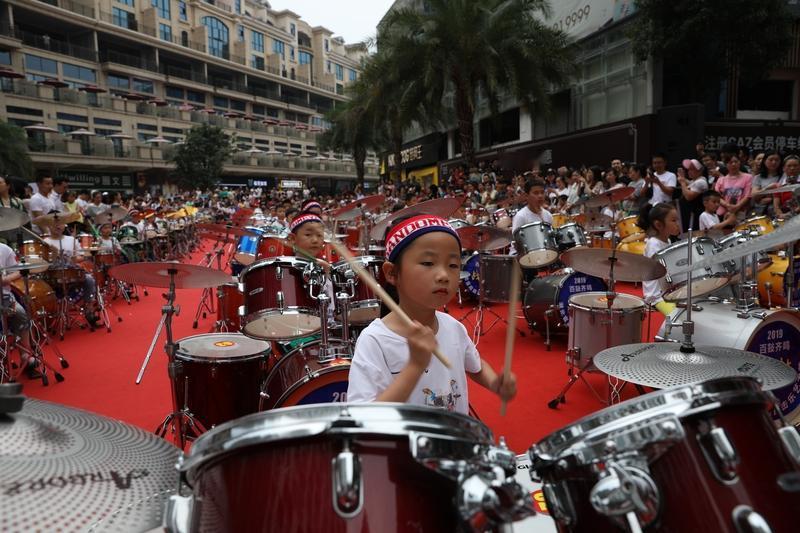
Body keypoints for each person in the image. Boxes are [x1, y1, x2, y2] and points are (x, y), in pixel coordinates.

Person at [347, 215, 516, 412]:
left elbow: (476, 367)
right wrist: (415, 367)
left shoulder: (453, 327)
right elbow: (364, 417)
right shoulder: (374, 340)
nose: (444, 275)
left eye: (453, 265)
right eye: (428, 263)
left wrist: (495, 383)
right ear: (392, 273)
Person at [43, 221, 99, 325]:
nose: (57, 226)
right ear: (49, 226)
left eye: (60, 223)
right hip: (53, 274)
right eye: (54, 223)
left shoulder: (71, 240)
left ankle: (89, 310)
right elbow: (43, 263)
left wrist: (75, 259)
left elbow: (81, 256)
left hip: (71, 271)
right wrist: (54, 255)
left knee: (89, 279)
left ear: (64, 226)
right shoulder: (45, 241)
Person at [638, 203, 681, 315]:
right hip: (657, 297)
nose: (678, 224)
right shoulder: (653, 244)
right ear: (658, 224)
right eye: (674, 220)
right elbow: (665, 272)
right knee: (678, 316)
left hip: (667, 292)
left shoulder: (668, 241)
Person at [0, 242, 34, 377]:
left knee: (20, 313)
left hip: (4, 295)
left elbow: (18, 271)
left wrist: (5, 279)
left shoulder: (4, 249)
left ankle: (26, 356)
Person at [714, 154, 753, 218]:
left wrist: (737, 206)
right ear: (726, 165)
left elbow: (748, 195)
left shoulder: (748, 177)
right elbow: (717, 196)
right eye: (730, 162)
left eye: (736, 162)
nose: (733, 164)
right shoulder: (721, 179)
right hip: (723, 213)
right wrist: (728, 205)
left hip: (741, 212)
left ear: (739, 162)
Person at [676, 159, 708, 231]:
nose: (689, 172)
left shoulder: (701, 182)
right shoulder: (695, 181)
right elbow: (690, 183)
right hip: (688, 214)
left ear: (700, 170)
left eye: (692, 169)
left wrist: (682, 182)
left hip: (694, 214)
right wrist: (682, 178)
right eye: (689, 169)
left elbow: (688, 196)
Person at [751, 150, 782, 216]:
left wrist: (771, 199)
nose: (774, 162)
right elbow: (754, 195)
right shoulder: (758, 177)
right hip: (761, 212)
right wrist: (768, 188)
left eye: (777, 160)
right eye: (771, 160)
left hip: (780, 212)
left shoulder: (784, 176)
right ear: (764, 161)